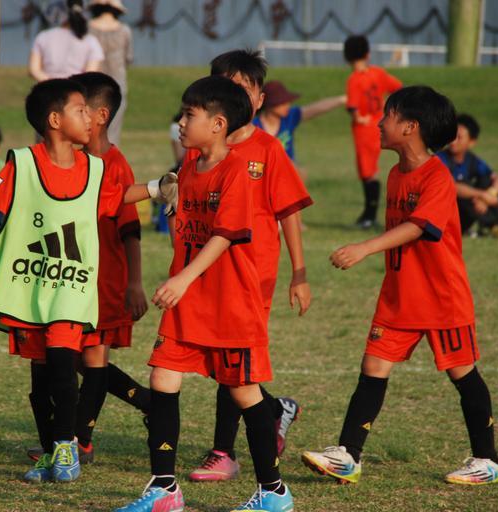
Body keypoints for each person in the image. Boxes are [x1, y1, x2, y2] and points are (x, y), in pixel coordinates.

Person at [0, 78, 176, 485]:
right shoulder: (23, 163)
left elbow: (116, 196)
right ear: (55, 120)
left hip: (71, 287)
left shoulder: (95, 167)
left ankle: (69, 444)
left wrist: (158, 188)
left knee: (66, 366)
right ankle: (51, 449)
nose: (89, 118)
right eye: (79, 110)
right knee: (41, 381)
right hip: (30, 286)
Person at [302, 86, 498, 486]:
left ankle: (489, 460)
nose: (379, 123)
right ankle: (348, 455)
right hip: (399, 295)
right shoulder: (396, 173)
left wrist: (364, 248)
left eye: (388, 116)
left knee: (463, 373)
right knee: (373, 367)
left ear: (410, 127)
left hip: (441, 296)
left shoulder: (437, 176)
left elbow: (419, 227)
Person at [116, 75, 294, 512]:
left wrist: (182, 279)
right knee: (162, 377)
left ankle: (273, 492)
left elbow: (224, 236)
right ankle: (164, 489)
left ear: (217, 124)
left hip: (230, 302)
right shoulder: (189, 166)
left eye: (188, 115)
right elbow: (135, 198)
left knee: (244, 392)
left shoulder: (236, 171)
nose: (180, 122)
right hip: (190, 301)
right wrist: (154, 190)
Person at [183, 50, 312, 485]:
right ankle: (275, 410)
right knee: (226, 363)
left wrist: (299, 273)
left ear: (257, 98)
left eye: (244, 88)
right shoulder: (198, 151)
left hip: (252, 275)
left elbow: (289, 211)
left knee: (233, 360)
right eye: (226, 86)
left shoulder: (268, 149)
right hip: (207, 272)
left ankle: (224, 452)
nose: (235, 95)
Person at [24, 72, 151, 465]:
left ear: (100, 115)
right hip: (63, 278)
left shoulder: (114, 165)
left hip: (103, 279)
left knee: (92, 358)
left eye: (82, 108)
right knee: (63, 358)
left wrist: (134, 282)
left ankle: (81, 441)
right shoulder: (61, 160)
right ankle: (144, 403)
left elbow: (129, 229)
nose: (77, 114)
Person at [343, 35, 402, 229]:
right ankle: (368, 214)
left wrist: (358, 116)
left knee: (367, 171)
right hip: (380, 126)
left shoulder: (354, 79)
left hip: (364, 130)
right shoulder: (378, 73)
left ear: (346, 57)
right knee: (371, 170)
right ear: (367, 54)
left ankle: (369, 216)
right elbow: (398, 88)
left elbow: (352, 106)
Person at [437, 114, 498, 240]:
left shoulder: (472, 160)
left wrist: (490, 194)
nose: (453, 141)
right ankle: (494, 226)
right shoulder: (440, 159)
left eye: (459, 137)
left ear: (472, 142)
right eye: (452, 136)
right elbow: (451, 187)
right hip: (447, 217)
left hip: (468, 211)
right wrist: (482, 195)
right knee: (465, 188)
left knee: (486, 181)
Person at [253, 80, 345, 164]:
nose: (287, 105)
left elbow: (317, 108)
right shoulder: (253, 126)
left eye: (287, 102)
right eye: (282, 103)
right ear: (269, 104)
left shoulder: (290, 117)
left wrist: (341, 100)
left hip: (288, 170)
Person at [88, 0, 133, 145]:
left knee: (90, 129)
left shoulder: (87, 28)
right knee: (112, 131)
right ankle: (109, 158)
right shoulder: (124, 30)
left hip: (92, 85)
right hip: (117, 85)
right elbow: (128, 58)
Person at [28, 0, 104, 82]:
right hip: (76, 87)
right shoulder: (91, 41)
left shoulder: (43, 36)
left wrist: (51, 82)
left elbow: (34, 70)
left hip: (48, 88)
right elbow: (90, 73)